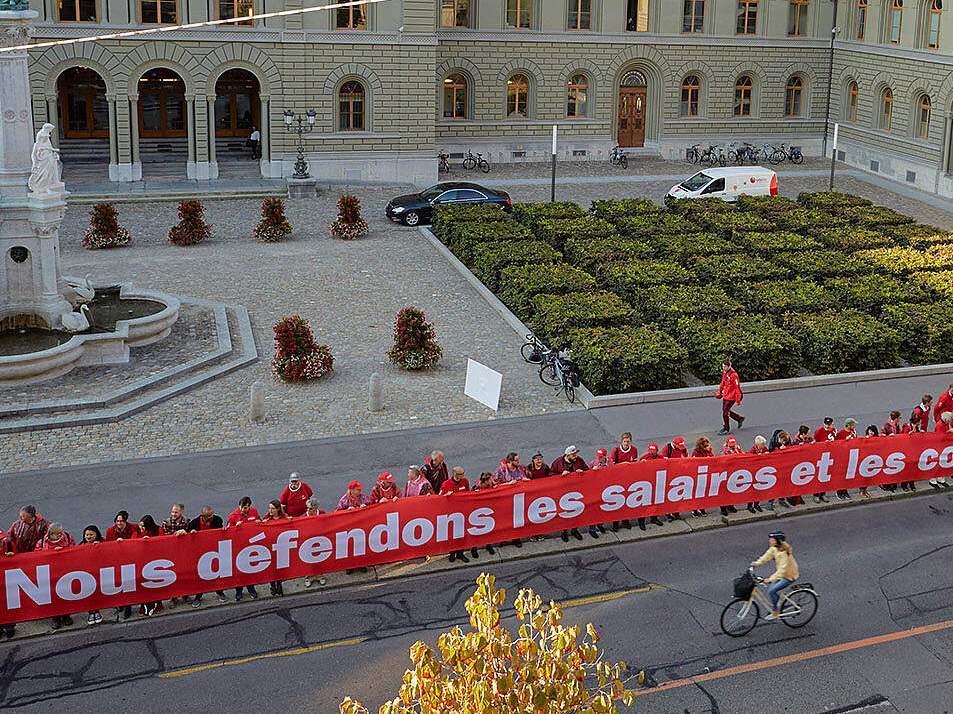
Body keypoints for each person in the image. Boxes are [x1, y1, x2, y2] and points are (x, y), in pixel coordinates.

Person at [751, 530, 799, 621]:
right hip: (781, 574)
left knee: (771, 591)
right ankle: (778, 604)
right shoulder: (774, 548)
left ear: (778, 540)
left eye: (772, 539)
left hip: (789, 575)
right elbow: (766, 556)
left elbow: (782, 570)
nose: (770, 541)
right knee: (771, 589)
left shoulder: (783, 553)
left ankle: (776, 611)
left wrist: (770, 579)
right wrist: (756, 564)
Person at [551, 446, 597, 541]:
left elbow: (587, 470)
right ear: (568, 455)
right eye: (573, 455)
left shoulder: (579, 460)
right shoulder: (558, 462)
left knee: (576, 512)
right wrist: (561, 475)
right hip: (564, 492)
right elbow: (550, 475)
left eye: (576, 454)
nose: (575, 456)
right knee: (565, 512)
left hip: (577, 492)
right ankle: (564, 531)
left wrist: (582, 472)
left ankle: (574, 530)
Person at [39, 523, 76, 631]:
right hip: (50, 574)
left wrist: (64, 550)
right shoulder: (42, 542)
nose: (60, 535)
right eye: (57, 534)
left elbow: (74, 550)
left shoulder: (67, 537)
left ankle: (66, 616)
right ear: (50, 534)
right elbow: (37, 556)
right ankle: (55, 618)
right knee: (53, 596)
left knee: (66, 594)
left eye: (61, 533)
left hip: (65, 571)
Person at [189, 507, 228, 607]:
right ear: (203, 516)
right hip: (200, 554)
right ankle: (198, 596)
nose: (212, 517)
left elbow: (220, 531)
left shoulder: (217, 519)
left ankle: (220, 592)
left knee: (216, 573)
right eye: (209, 516)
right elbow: (188, 536)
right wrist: (191, 533)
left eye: (212, 515)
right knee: (200, 576)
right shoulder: (194, 523)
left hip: (214, 552)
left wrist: (223, 530)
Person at [226, 497, 260, 602]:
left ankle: (251, 589)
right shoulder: (233, 516)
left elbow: (260, 523)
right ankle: (239, 591)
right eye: (242, 507)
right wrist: (235, 528)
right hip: (238, 547)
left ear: (249, 507)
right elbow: (228, 532)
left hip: (251, 546)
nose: (243, 510)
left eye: (245, 508)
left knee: (250, 569)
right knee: (239, 570)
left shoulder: (254, 512)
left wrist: (259, 522)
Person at [641, 443, 679, 523]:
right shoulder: (644, 458)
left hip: (658, 483)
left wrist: (667, 461)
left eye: (653, 451)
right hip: (647, 484)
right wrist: (641, 463)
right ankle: (642, 521)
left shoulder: (660, 457)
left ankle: (654, 518)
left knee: (657, 501)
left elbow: (668, 465)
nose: (652, 453)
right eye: (650, 451)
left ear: (657, 451)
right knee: (645, 502)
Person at [440, 467, 470, 563]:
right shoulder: (446, 484)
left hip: (462, 513)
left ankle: (460, 554)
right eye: (461, 474)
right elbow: (439, 498)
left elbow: (468, 494)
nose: (463, 476)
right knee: (452, 535)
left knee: (462, 535)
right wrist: (446, 496)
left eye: (463, 473)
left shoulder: (465, 482)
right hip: (451, 514)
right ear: (455, 474)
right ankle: (452, 553)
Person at [261, 500, 290, 596]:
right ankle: (272, 585)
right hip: (270, 547)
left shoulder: (284, 517)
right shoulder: (267, 518)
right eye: (269, 508)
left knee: (280, 567)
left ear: (277, 509)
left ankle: (279, 584)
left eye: (272, 508)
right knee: (271, 568)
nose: (270, 510)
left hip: (281, 547)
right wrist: (263, 523)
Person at [137, 516, 162, 616]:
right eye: (140, 525)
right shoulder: (138, 532)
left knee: (155, 583)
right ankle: (144, 604)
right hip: (142, 561)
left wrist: (152, 541)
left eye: (143, 526)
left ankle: (157, 604)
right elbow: (133, 540)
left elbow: (162, 540)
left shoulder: (158, 530)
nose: (141, 528)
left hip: (155, 561)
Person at [470, 472, 499, 556]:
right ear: (485, 481)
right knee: (477, 531)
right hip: (478, 512)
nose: (492, 481)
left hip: (488, 510)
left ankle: (488, 545)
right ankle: (474, 548)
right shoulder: (476, 488)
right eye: (490, 480)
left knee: (488, 530)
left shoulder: (492, 485)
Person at [81, 526, 105, 626]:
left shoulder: (103, 542)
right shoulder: (81, 545)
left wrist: (100, 547)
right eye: (87, 535)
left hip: (99, 573)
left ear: (96, 535)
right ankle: (91, 613)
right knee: (89, 594)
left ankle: (97, 611)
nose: (88, 536)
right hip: (86, 574)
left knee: (97, 594)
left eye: (91, 534)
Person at [303, 498, 328, 588]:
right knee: (309, 560)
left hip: (320, 540)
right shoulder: (303, 517)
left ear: (315, 508)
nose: (308, 510)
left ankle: (319, 575)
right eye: (307, 508)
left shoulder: (322, 513)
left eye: (310, 508)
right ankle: (308, 577)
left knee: (320, 559)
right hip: (308, 541)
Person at [716, 359, 745, 435]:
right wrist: (720, 391)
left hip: (732, 397)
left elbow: (737, 387)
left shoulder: (734, 375)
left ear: (729, 366)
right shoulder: (725, 372)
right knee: (725, 410)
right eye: (723, 366)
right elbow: (723, 382)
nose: (723, 368)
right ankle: (739, 418)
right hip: (726, 395)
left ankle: (726, 429)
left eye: (724, 367)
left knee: (725, 413)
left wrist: (738, 400)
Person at [691, 437, 715, 517]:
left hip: (706, 475)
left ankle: (701, 508)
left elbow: (714, 460)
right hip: (697, 476)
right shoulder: (696, 453)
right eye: (706, 446)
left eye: (708, 445)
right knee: (696, 494)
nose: (708, 447)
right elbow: (694, 464)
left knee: (703, 494)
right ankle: (694, 510)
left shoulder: (709, 451)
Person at [834, 419, 857, 500]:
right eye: (853, 425)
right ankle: (839, 491)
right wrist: (845, 441)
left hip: (851, 456)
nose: (854, 426)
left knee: (848, 475)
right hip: (842, 457)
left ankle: (845, 490)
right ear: (848, 425)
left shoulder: (853, 432)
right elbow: (835, 444)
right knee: (841, 475)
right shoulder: (841, 433)